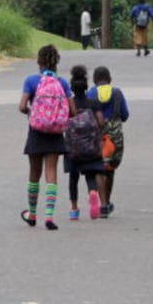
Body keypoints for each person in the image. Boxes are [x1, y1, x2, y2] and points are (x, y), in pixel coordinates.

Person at [18, 44, 69, 230]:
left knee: (34, 173)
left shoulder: (31, 81)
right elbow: (72, 110)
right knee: (51, 172)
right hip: (55, 133)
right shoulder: (62, 83)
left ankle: (32, 214)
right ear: (56, 61)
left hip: (36, 131)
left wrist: (34, 113)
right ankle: (49, 217)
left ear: (38, 61)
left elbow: (22, 106)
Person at [63, 65, 108, 221]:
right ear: (86, 85)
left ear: (72, 87)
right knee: (90, 173)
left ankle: (74, 209)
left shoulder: (70, 103)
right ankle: (93, 192)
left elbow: (63, 121)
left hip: (72, 148)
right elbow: (101, 122)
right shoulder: (93, 102)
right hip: (91, 146)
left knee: (73, 177)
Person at [92, 65, 130, 217]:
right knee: (110, 169)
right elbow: (125, 115)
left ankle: (101, 204)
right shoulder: (117, 93)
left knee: (98, 169)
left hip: (96, 135)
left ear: (94, 81)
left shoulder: (91, 92)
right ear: (110, 80)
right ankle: (106, 202)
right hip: (114, 138)